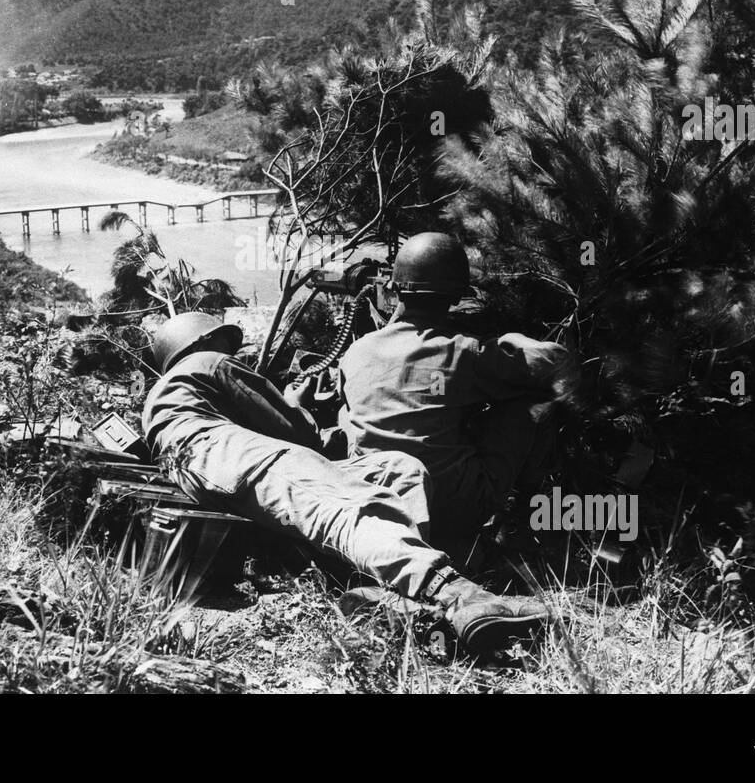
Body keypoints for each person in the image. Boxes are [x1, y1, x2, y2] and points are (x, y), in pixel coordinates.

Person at [141, 311, 550, 655]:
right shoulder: (207, 364)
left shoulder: (174, 391)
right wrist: (297, 404)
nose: (232, 352)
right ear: (203, 341)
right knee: (335, 504)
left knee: (396, 468)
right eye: (223, 342)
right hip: (223, 451)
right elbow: (293, 433)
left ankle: (383, 593)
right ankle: (454, 593)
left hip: (217, 460)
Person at [339, 233, 574, 543]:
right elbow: (554, 360)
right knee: (533, 400)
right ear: (455, 297)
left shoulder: (357, 352)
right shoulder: (463, 354)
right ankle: (522, 516)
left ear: (394, 288)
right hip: (449, 516)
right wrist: (508, 340)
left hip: (375, 511)